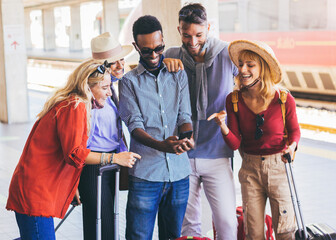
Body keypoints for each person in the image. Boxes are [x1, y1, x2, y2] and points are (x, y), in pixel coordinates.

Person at [6, 58, 140, 240]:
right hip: (36, 195)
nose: (109, 93)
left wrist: (72, 184)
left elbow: (67, 149)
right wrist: (114, 158)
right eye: (104, 87)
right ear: (88, 87)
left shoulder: (73, 103)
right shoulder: (75, 106)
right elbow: (75, 154)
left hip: (34, 190)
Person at [208, 40, 300, 240]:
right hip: (250, 170)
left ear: (263, 68)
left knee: (285, 231)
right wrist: (222, 126)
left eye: (250, 65)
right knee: (253, 232)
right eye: (241, 64)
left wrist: (292, 148)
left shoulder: (284, 99)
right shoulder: (234, 100)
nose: (243, 69)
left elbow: (294, 132)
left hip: (279, 168)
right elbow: (235, 144)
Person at [164, 3, 238, 239]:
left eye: (199, 35)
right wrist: (161, 66)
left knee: (227, 224)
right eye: (186, 35)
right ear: (179, 30)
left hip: (217, 153)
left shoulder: (228, 53)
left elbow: (254, 77)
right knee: (188, 228)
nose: (193, 42)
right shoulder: (172, 55)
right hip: (182, 156)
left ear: (209, 28)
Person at [119, 15, 194, 240]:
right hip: (145, 176)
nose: (153, 55)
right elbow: (135, 126)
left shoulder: (178, 74)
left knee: (173, 236)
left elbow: (184, 115)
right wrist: (162, 145)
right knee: (138, 236)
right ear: (136, 47)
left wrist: (187, 137)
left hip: (179, 174)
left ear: (163, 41)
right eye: (146, 51)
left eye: (159, 48)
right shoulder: (128, 82)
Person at [77, 32, 134, 240]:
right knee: (99, 224)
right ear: (101, 66)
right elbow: (77, 145)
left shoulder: (109, 91)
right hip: (93, 165)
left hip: (111, 163)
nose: (121, 66)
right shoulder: (88, 99)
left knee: (109, 221)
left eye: (122, 60)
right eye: (114, 63)